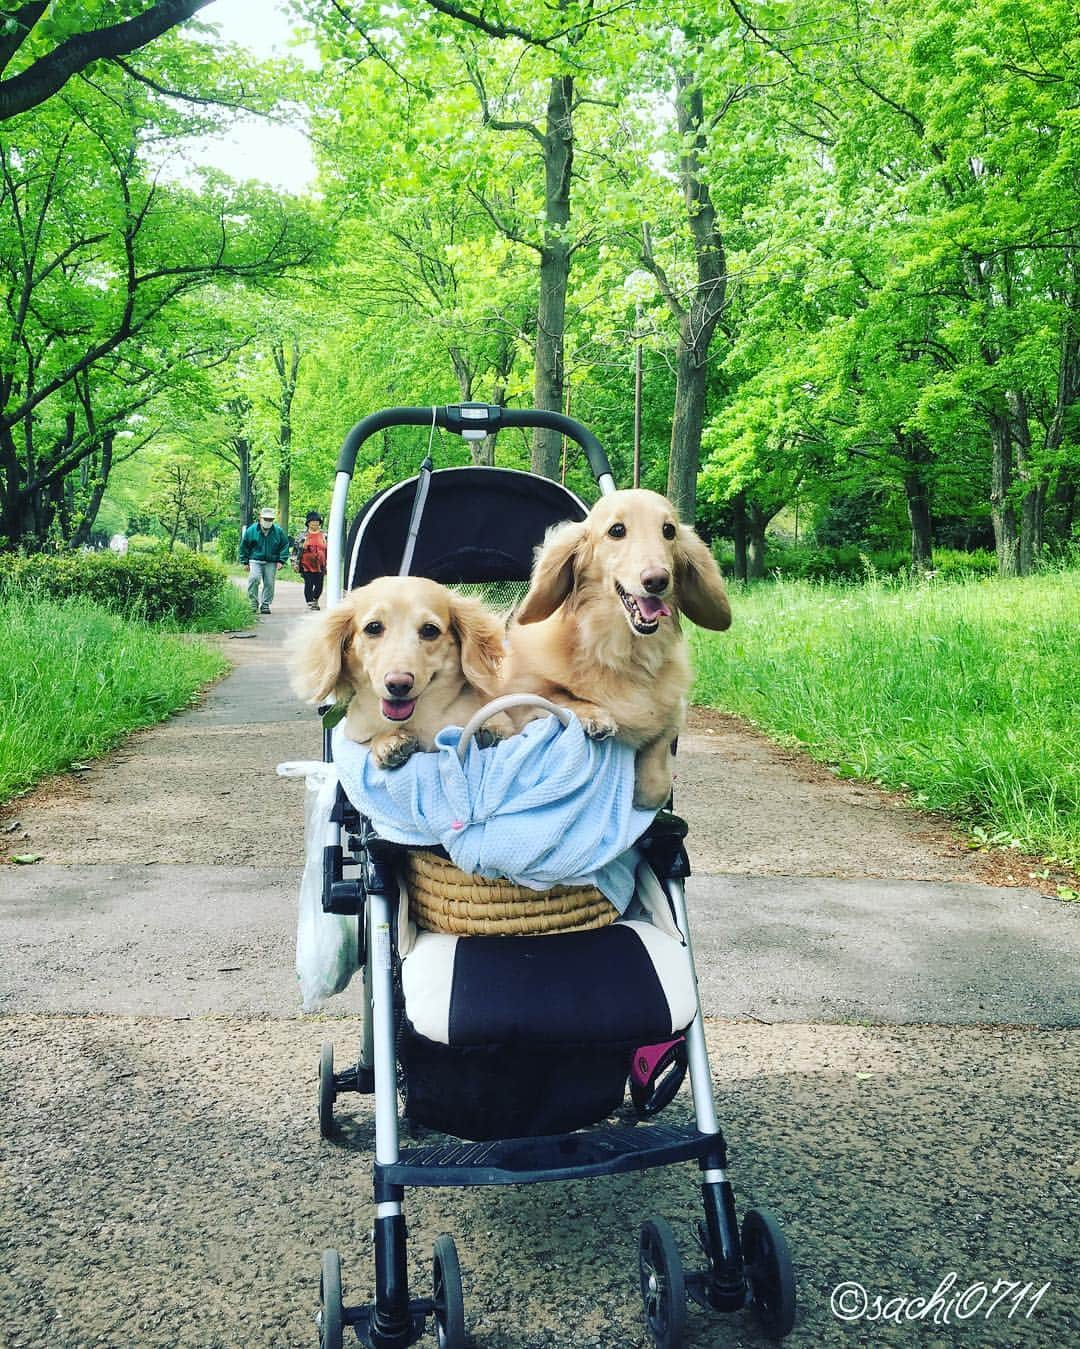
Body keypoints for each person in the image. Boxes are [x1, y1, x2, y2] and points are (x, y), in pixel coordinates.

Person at [239, 506, 290, 614]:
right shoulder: (252, 530)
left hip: (271, 561)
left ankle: (265, 604)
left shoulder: (278, 531)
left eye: (270, 519)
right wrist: (245, 561)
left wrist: (281, 561)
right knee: (254, 579)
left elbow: (284, 545)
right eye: (266, 519)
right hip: (255, 559)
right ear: (260, 518)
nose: (268, 521)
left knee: (269, 583)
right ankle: (253, 603)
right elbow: (244, 546)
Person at [293, 509, 328, 610]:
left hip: (320, 565)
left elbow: (329, 550)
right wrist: (295, 564)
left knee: (319, 586)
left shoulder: (325, 535)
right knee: (308, 583)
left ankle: (315, 599)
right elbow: (295, 551)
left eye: (317, 522)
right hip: (306, 565)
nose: (315, 524)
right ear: (308, 523)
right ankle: (310, 602)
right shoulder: (302, 536)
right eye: (313, 522)